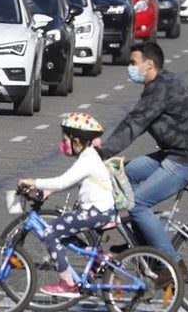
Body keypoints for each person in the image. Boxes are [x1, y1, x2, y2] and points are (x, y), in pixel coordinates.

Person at [98, 41, 188, 273]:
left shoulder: (161, 90)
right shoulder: (163, 82)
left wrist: (103, 151)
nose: (129, 67)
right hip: (176, 152)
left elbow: (134, 123)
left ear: (148, 64)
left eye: (133, 63)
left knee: (138, 203)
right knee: (124, 173)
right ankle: (143, 246)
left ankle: (171, 265)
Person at [15, 112, 117, 298]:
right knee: (62, 231)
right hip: (100, 210)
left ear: (76, 140)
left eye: (65, 139)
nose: (63, 143)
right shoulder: (88, 156)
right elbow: (69, 181)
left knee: (50, 232)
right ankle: (99, 260)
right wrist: (46, 192)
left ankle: (67, 284)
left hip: (96, 212)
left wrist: (33, 181)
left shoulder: (88, 159)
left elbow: (62, 182)